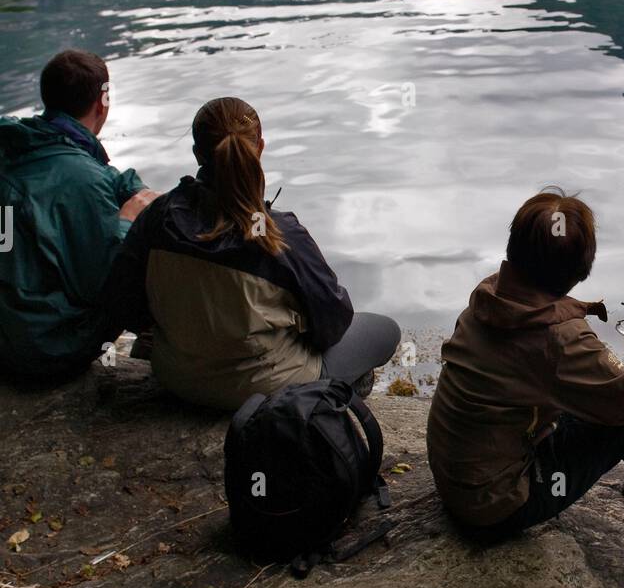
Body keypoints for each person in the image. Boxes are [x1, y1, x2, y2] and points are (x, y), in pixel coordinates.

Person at [426, 189, 624, 574]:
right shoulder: (557, 338)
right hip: (497, 504)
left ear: (515, 249)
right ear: (581, 269)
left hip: (465, 480)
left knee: (616, 392)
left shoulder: (492, 298)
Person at [102, 96, 400, 412]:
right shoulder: (278, 234)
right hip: (266, 392)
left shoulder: (159, 218)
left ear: (197, 153)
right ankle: (327, 405)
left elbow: (123, 303)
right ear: (259, 147)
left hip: (177, 380)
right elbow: (334, 323)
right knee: (384, 330)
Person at [0, 49, 158, 382]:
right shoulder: (87, 182)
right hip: (45, 352)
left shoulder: (15, 142)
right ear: (103, 102)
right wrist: (127, 221)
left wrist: (120, 183)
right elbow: (103, 285)